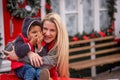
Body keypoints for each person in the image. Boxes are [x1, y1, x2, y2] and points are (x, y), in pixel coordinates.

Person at [3, 12, 69, 79]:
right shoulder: (35, 36)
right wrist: (29, 52)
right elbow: (7, 48)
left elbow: (42, 64)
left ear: (58, 32)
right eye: (45, 29)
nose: (47, 34)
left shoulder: (57, 48)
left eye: (52, 30)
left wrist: (18, 57)